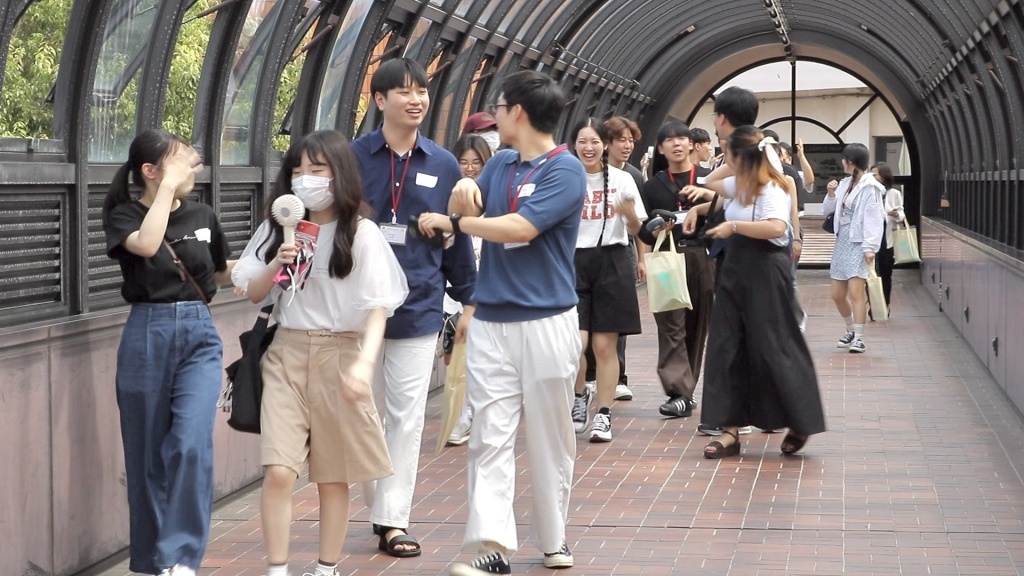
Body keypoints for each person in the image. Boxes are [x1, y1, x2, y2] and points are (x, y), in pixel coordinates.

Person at [417, 69, 586, 576]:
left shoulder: (565, 169)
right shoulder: (502, 164)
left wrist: (455, 221)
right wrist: (464, 192)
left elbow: (521, 227)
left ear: (517, 112)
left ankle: (554, 538)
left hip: (547, 320)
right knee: (490, 435)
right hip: (492, 319)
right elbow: (472, 203)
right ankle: (492, 547)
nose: (495, 117)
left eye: (499, 107)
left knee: (550, 435)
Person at [232, 130, 408, 576]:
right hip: (286, 354)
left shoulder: (361, 233)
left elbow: (378, 309)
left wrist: (364, 365)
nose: (305, 179)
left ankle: (326, 568)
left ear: (339, 174)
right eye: (297, 171)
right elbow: (253, 292)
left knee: (332, 476)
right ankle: (277, 569)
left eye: (316, 169)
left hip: (341, 353)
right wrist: (278, 261)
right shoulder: (278, 228)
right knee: (279, 469)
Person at [351, 57, 477, 557]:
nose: (416, 99)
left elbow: (458, 235)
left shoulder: (443, 163)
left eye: (421, 91)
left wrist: (469, 298)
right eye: (404, 91)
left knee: (406, 417)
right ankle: (380, 506)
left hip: (419, 302)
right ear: (380, 100)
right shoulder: (352, 158)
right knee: (365, 414)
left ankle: (392, 519)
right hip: (358, 307)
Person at [102, 129, 234, 576]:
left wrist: (274, 262)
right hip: (147, 331)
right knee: (147, 457)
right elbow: (145, 244)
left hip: (199, 333)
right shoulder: (124, 215)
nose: (193, 168)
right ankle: (152, 562)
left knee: (190, 444)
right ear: (150, 171)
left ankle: (181, 557)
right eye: (181, 161)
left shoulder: (203, 213)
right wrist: (164, 193)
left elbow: (219, 273)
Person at [681, 125, 825, 458]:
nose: (725, 159)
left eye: (729, 153)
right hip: (734, 270)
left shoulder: (773, 188)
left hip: (766, 271)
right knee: (726, 344)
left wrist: (734, 226)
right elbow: (710, 181)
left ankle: (800, 421)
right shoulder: (740, 184)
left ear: (743, 157)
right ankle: (729, 430)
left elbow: (777, 227)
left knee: (774, 345)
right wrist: (734, 160)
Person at [568, 117, 646, 443]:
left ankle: (603, 413)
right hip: (573, 263)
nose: (589, 148)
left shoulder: (622, 179)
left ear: (605, 145)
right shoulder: (565, 177)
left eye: (595, 141)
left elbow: (637, 228)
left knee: (604, 346)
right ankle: (578, 396)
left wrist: (629, 216)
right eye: (582, 141)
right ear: (574, 144)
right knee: (575, 344)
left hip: (612, 262)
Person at [635, 121, 714, 422]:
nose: (677, 144)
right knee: (670, 324)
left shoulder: (708, 179)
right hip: (667, 258)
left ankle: (686, 392)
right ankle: (677, 392)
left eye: (682, 138)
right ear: (661, 148)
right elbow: (643, 231)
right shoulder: (652, 186)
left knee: (696, 325)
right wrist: (655, 230)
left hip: (701, 257)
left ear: (692, 144)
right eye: (669, 140)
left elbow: (723, 212)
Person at [444, 134, 492, 446]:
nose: (470, 169)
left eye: (477, 163)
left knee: (478, 354)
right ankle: (460, 412)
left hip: (485, 290)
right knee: (454, 352)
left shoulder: (494, 206)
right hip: (453, 289)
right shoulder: (446, 200)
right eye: (463, 162)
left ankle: (470, 413)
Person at [823, 144, 885, 353]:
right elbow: (828, 210)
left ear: (850, 161)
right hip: (842, 241)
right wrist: (831, 194)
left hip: (859, 243)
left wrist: (870, 247)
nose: (842, 162)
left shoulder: (870, 187)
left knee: (856, 292)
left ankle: (859, 337)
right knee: (837, 294)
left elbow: (874, 218)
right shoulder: (845, 183)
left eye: (844, 159)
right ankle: (850, 329)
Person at [870, 162, 904, 314]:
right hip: (871, 240)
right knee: (871, 275)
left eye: (875, 174)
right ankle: (874, 306)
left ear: (884, 176)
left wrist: (896, 214)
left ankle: (885, 305)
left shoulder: (894, 193)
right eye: (871, 174)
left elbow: (901, 214)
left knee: (885, 275)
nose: (872, 177)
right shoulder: (867, 192)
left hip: (887, 240)